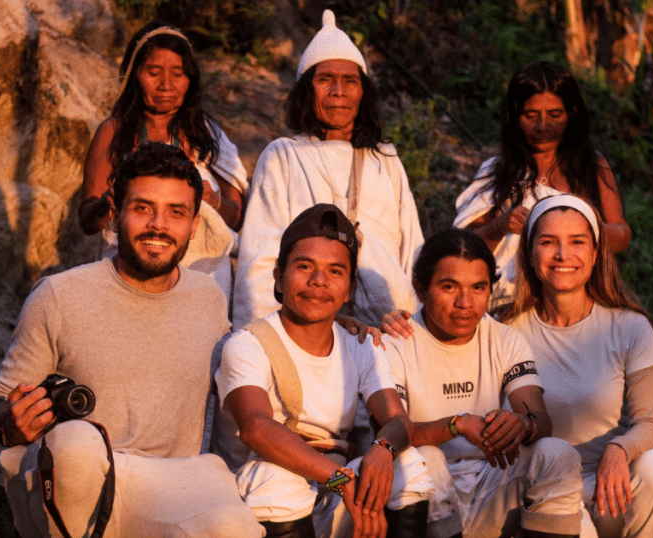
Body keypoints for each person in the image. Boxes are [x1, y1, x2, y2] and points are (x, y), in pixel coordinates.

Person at [0, 143, 263, 538]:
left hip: (167, 483)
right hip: (73, 480)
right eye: (143, 208)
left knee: (237, 530)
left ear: (195, 225)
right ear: (116, 214)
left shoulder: (209, 299)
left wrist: (344, 322)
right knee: (76, 443)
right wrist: (11, 423)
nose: (159, 225)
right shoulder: (58, 295)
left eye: (176, 213)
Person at [216, 204, 433, 538]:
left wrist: (383, 450)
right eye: (305, 266)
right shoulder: (249, 344)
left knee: (410, 467)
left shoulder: (359, 344)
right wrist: (339, 477)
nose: (318, 281)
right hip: (257, 498)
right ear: (279, 276)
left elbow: (397, 420)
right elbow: (256, 429)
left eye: (335, 271)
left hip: (333, 487)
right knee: (277, 482)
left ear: (348, 289)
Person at [499, 194, 653, 538]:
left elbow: (652, 424)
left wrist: (619, 449)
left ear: (597, 253)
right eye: (548, 242)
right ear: (529, 252)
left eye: (577, 242)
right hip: (541, 493)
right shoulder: (505, 331)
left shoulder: (630, 327)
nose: (562, 255)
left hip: (610, 491)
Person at [382, 228, 583, 538]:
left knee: (557, 454)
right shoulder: (396, 341)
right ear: (420, 290)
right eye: (449, 287)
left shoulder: (504, 338)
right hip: (422, 496)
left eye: (478, 287)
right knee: (424, 460)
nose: (465, 302)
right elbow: (392, 431)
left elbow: (540, 421)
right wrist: (456, 424)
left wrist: (521, 425)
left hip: (488, 481)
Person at [233, 9, 424, 330]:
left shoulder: (385, 158)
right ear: (306, 92)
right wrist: (260, 340)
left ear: (363, 92)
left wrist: (414, 323)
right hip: (307, 325)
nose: (338, 91)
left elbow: (412, 251)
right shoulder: (283, 156)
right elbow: (260, 259)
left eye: (350, 80)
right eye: (325, 79)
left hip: (387, 327)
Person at [80, 21, 247, 299]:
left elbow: (238, 216)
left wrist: (212, 202)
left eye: (178, 73)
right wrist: (106, 203)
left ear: (190, 80)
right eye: (153, 72)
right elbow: (87, 221)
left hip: (204, 280)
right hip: (131, 275)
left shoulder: (208, 135)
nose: (166, 85)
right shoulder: (114, 132)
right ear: (135, 76)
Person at [454, 61, 630, 309]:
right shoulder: (497, 172)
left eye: (555, 115)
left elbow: (622, 236)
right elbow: (462, 250)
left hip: (573, 306)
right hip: (504, 307)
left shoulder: (590, 166)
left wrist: (582, 228)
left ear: (572, 114)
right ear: (515, 117)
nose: (543, 126)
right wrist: (500, 226)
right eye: (531, 115)